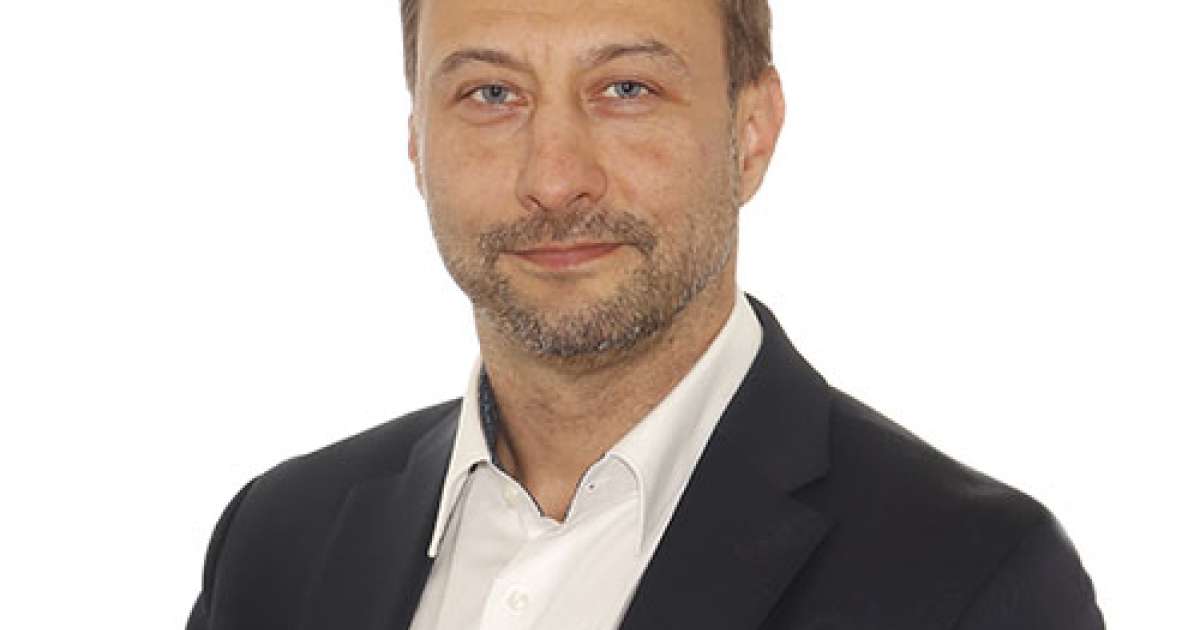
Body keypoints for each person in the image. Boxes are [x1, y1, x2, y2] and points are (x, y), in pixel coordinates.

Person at [187, 0, 1105, 628]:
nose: (555, 179)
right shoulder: (277, 543)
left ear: (751, 134)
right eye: (491, 94)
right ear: (417, 143)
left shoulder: (971, 579)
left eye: (627, 88)